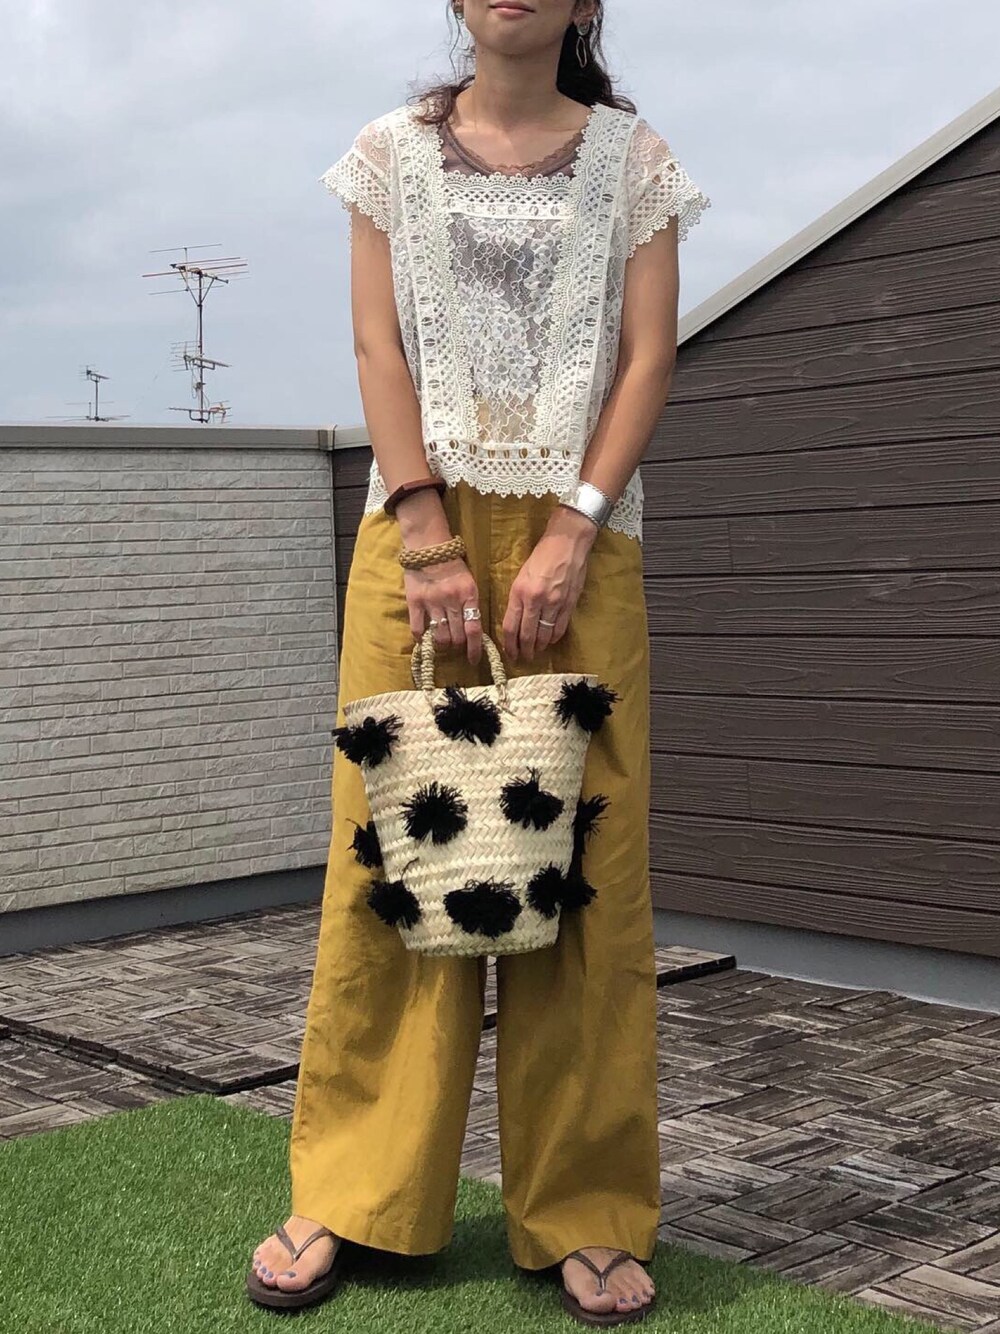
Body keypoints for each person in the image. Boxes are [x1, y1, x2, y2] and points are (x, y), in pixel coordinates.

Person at [247, 0, 709, 1322]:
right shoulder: (388, 153)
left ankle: (589, 1207)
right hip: (417, 534)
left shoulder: (635, 161)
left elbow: (648, 358)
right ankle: (354, 1190)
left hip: (582, 542)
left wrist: (573, 525)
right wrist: (427, 530)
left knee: (588, 878)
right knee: (390, 859)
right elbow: (377, 344)